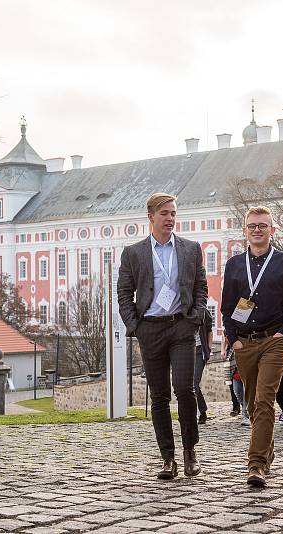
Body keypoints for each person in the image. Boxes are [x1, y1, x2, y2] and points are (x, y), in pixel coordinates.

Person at [117, 192, 208, 480]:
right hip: (151, 329)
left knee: (185, 389)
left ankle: (190, 452)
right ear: (151, 216)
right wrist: (135, 326)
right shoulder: (134, 253)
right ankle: (168, 458)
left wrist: (195, 318)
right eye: (165, 213)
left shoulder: (191, 249)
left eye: (173, 213)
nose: (170, 219)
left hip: (182, 327)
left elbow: (201, 287)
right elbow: (123, 293)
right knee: (159, 396)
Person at [221, 206, 283, 487]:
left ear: (272, 230)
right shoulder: (233, 264)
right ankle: (267, 450)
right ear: (245, 230)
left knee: (265, 399)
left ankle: (255, 465)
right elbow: (228, 308)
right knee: (253, 405)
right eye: (252, 226)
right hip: (245, 342)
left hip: (273, 342)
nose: (258, 230)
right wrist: (235, 340)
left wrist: (282, 333)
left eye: (263, 226)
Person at [195, 308, 213, 424]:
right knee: (185, 385)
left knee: (194, 383)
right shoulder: (180, 309)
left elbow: (209, 331)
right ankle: (191, 412)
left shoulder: (203, 311)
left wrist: (209, 349)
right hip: (183, 351)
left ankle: (202, 412)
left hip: (199, 351)